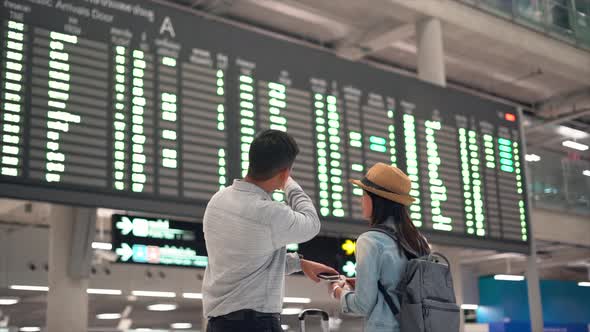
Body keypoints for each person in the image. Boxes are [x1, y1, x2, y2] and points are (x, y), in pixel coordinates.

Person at [203, 129, 337, 332]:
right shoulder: (269, 213)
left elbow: (247, 262)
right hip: (255, 324)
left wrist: (299, 263)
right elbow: (311, 223)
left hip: (217, 325)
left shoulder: (217, 201)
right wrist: (289, 184)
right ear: (284, 172)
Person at [328, 162, 430, 332]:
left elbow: (363, 305)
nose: (362, 200)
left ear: (376, 199)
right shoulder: (419, 241)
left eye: (364, 195)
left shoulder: (370, 241)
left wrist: (338, 291)